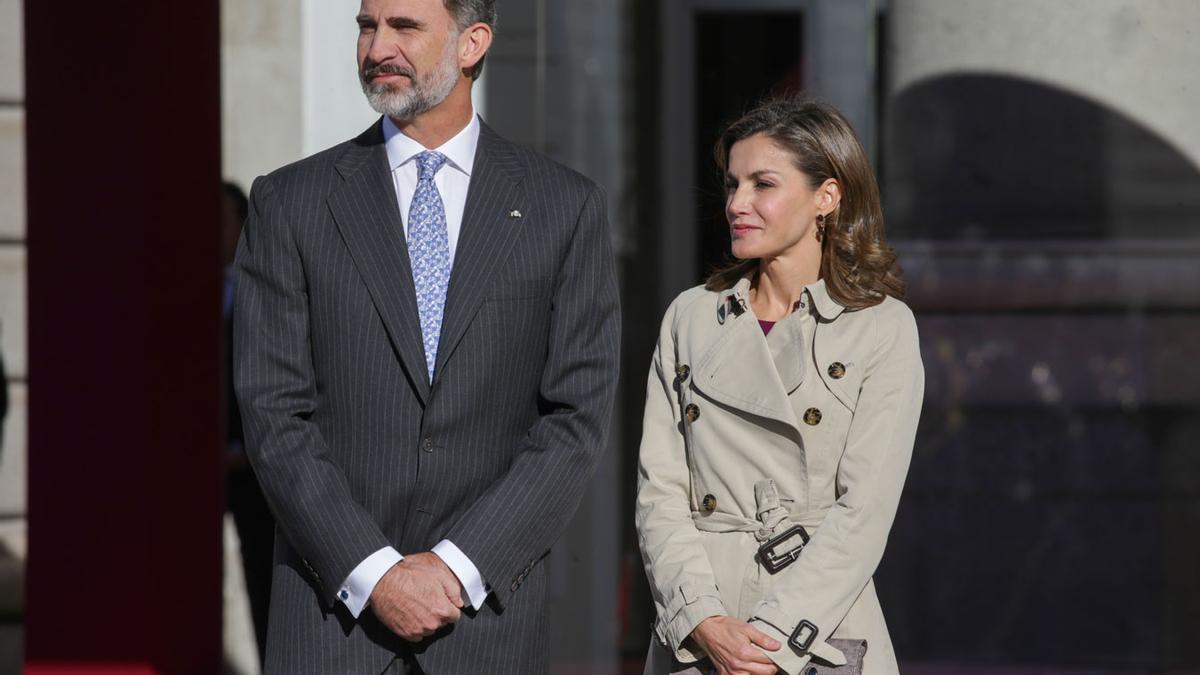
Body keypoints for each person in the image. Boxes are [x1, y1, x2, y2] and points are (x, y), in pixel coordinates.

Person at [233, 0, 620, 672]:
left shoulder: (565, 208)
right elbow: (273, 412)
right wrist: (375, 572)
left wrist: (457, 567)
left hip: (482, 627)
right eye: (365, 26)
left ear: (472, 44)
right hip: (334, 625)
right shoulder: (290, 202)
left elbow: (574, 419)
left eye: (404, 27)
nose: (377, 47)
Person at [636, 99, 924, 675]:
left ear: (827, 196)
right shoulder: (690, 317)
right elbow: (659, 493)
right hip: (700, 629)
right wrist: (700, 618)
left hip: (818, 627)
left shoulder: (880, 326)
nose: (737, 205)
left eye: (762, 184)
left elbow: (864, 512)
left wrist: (774, 637)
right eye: (732, 185)